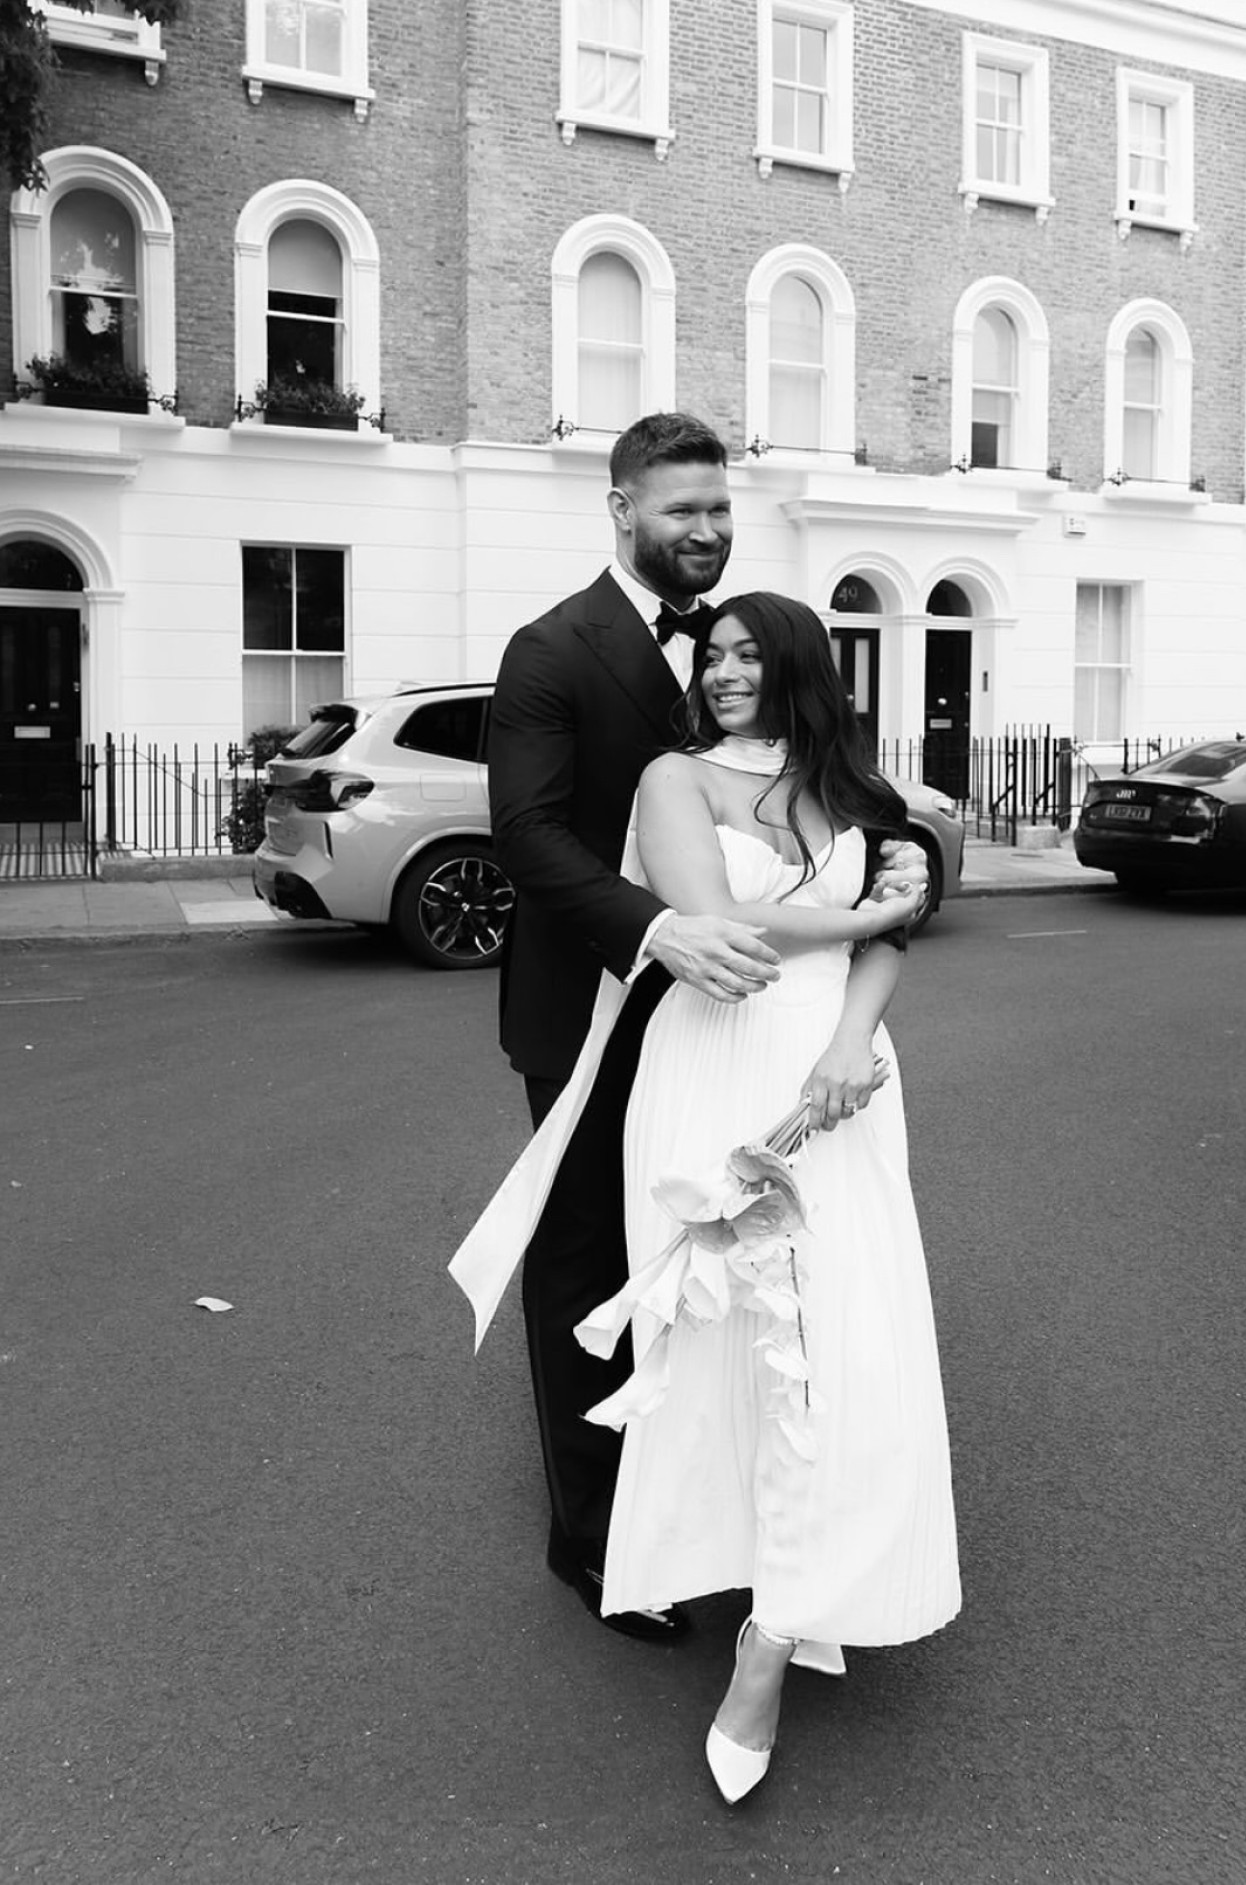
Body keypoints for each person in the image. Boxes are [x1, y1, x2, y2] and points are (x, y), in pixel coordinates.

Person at [482, 412, 927, 1643]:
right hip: (596, 1003)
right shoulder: (550, 648)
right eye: (680, 508)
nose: (705, 528)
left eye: (718, 508)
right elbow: (528, 834)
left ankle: (731, 1510)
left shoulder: (745, 644)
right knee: (591, 1265)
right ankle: (595, 1539)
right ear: (621, 509)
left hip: (740, 1020)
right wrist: (656, 927)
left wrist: (907, 874)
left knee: (740, 1265)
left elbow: (836, 802)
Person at [574, 592, 961, 1801]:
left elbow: (887, 943)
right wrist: (880, 904)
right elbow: (719, 918)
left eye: (748, 653)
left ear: (795, 663)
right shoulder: (673, 778)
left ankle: (776, 1630)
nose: (724, 670)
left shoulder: (850, 784)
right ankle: (758, 1575)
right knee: (726, 1342)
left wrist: (851, 1040)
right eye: (713, 654)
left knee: (838, 1344)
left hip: (836, 1075)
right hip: (711, 1064)